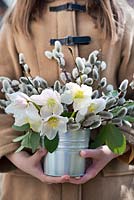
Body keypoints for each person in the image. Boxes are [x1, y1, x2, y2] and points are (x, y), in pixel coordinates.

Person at [0, 0, 134, 199]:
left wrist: (115, 148)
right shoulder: (18, 18)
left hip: (107, 188)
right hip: (30, 188)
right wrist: (16, 155)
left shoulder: (121, 16)